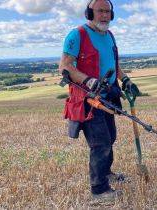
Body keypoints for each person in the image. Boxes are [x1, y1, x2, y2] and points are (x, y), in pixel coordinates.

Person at [58, 0, 139, 203]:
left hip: (108, 95)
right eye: (100, 11)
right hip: (88, 98)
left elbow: (114, 65)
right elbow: (65, 67)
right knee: (100, 143)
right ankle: (99, 191)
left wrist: (126, 80)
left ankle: (106, 172)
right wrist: (88, 80)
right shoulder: (77, 35)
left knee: (110, 137)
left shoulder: (109, 36)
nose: (104, 15)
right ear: (89, 13)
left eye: (107, 12)